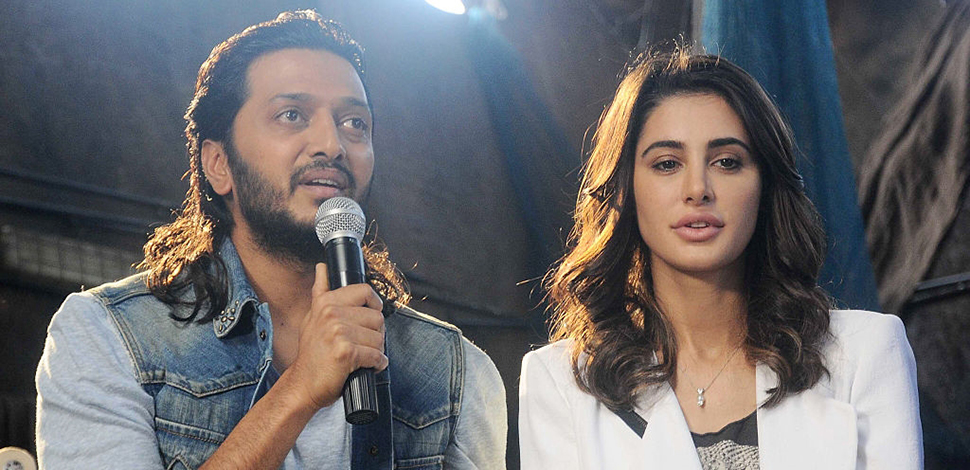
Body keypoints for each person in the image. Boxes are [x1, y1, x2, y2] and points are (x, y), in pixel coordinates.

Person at [35, 10, 506, 469]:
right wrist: (300, 388)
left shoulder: (455, 372)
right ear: (218, 164)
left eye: (354, 123)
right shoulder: (107, 337)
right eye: (291, 114)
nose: (331, 144)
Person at [519, 50, 922, 469]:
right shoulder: (560, 384)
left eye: (727, 162)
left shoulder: (866, 353)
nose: (698, 189)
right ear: (626, 189)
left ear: (765, 185)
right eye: (667, 164)